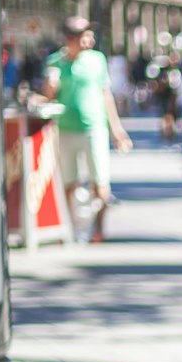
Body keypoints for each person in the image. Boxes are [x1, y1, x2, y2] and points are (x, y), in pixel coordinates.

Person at [44, 17, 131, 242]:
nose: (90, 40)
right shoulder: (55, 62)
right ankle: (67, 229)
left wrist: (117, 130)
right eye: (85, 36)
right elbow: (48, 98)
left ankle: (98, 229)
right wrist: (50, 88)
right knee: (68, 183)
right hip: (65, 129)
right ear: (71, 39)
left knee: (100, 183)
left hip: (94, 128)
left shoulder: (97, 60)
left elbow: (106, 95)